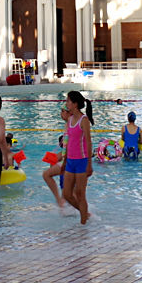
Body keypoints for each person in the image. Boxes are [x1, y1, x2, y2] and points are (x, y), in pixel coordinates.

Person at [61, 90, 93, 224]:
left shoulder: (83, 120)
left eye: (68, 101)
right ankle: (85, 213)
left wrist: (89, 164)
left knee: (80, 195)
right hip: (70, 161)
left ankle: (83, 225)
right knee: (67, 194)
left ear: (75, 104)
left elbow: (89, 142)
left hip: (81, 161)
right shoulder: (69, 119)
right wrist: (64, 162)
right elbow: (68, 142)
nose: (66, 103)